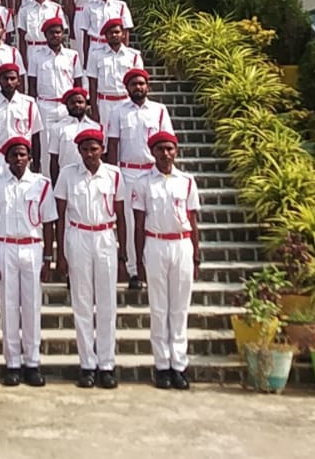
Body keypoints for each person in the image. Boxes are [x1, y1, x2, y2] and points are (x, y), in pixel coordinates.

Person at [0, 137, 57, 388]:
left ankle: (32, 362)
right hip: (5, 247)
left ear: (30, 157)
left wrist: (48, 258)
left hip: (33, 248)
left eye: (23, 154)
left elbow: (49, 222)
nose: (18, 159)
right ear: (6, 158)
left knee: (32, 305)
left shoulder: (41, 184)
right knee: (9, 307)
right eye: (13, 155)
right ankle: (12, 363)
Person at [54, 128, 125, 390]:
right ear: (79, 151)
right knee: (82, 303)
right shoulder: (67, 175)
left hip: (105, 236)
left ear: (102, 149)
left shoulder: (114, 175)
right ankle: (87, 364)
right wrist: (60, 252)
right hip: (78, 236)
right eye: (85, 149)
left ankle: (106, 364)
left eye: (94, 149)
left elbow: (121, 214)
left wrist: (124, 254)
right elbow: (60, 216)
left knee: (106, 304)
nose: (90, 154)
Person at [130, 130, 202, 391]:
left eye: (170, 149)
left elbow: (193, 221)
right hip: (156, 243)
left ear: (176, 151)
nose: (165, 153)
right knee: (159, 308)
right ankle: (162, 365)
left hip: (182, 243)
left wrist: (196, 255)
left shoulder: (187, 181)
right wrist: (138, 260)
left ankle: (179, 365)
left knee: (180, 308)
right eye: (160, 149)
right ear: (152, 152)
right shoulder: (143, 182)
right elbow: (138, 224)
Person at [105, 68, 174, 289]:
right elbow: (113, 144)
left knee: (154, 219)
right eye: (134, 84)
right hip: (128, 172)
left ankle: (154, 269)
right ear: (127, 88)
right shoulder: (117, 111)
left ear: (148, 86)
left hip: (153, 171)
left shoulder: (160, 110)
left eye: (142, 84)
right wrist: (113, 174)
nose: (138, 87)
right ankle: (134, 270)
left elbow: (169, 143)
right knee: (131, 222)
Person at [0, 63, 42, 184]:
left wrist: (36, 165)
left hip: (22, 160)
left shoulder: (29, 104)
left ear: (19, 81)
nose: (9, 82)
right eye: (5, 79)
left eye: (13, 78)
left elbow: (35, 137)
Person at [85, 18, 144, 124]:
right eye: (110, 33)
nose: (114, 35)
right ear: (106, 36)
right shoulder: (95, 55)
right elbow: (92, 83)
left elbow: (140, 81)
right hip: (105, 103)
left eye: (117, 32)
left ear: (123, 34)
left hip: (127, 101)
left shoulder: (133, 56)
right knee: (105, 138)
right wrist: (94, 108)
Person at [28, 19, 83, 129]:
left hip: (67, 107)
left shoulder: (73, 56)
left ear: (63, 34)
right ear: (45, 35)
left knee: (68, 141)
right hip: (45, 107)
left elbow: (78, 83)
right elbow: (32, 85)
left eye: (58, 32)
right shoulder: (36, 56)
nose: (55, 35)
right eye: (51, 32)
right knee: (46, 144)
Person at [74, 0, 132, 65]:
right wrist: (86, 58)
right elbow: (86, 35)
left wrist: (124, 50)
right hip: (96, 46)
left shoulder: (121, 6)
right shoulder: (89, 7)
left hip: (115, 46)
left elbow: (125, 31)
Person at [46, 87, 96, 187]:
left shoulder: (95, 127)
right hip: (66, 179)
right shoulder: (57, 128)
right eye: (72, 103)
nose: (77, 105)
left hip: (91, 178)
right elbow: (54, 160)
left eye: (80, 102)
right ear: (66, 106)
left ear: (86, 104)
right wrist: (55, 186)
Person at [16, 0, 66, 67]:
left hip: (50, 49)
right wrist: (23, 60)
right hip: (31, 49)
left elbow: (61, 33)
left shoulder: (56, 9)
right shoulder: (24, 10)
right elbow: (22, 37)